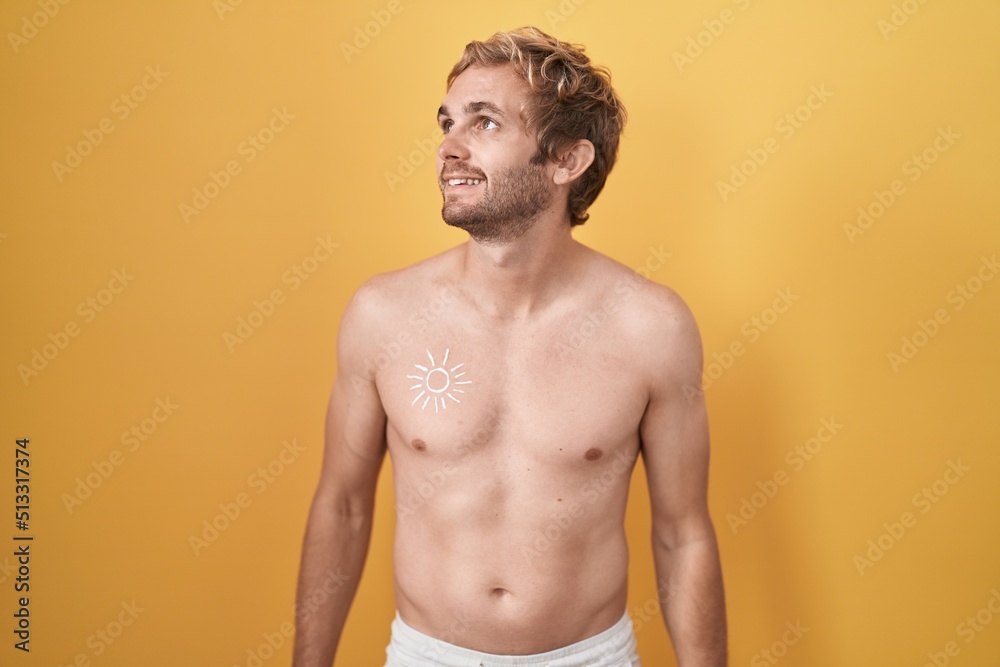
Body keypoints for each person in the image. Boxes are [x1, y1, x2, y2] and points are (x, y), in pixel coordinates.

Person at [292, 26, 727, 667]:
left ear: (567, 161)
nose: (449, 147)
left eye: (486, 123)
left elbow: (682, 535)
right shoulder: (383, 314)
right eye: (448, 123)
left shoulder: (651, 327)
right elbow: (343, 508)